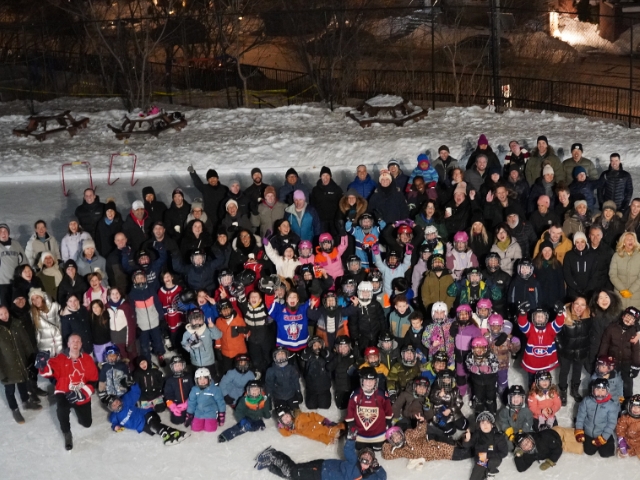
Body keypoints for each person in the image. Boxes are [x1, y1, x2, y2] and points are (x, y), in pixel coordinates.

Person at [36, 333, 99, 450]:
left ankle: (80, 412)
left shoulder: (88, 359)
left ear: (81, 344)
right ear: (68, 344)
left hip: (81, 393)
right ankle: (67, 433)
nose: (75, 343)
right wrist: (43, 365)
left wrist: (82, 394)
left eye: (78, 341)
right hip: (64, 392)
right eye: (73, 341)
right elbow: (47, 372)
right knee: (62, 410)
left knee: (87, 424)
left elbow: (93, 381)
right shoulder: (60, 358)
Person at [255, 438, 387, 480]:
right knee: (293, 471)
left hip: (321, 474)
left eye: (368, 459)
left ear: (370, 464)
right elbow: (348, 450)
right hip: (320, 470)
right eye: (364, 457)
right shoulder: (354, 462)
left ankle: (271, 465)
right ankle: (273, 454)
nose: (366, 459)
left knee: (294, 476)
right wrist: (351, 438)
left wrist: (377, 468)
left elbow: (382, 477)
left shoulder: (365, 477)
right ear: (359, 458)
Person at [107, 382, 188, 445]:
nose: (117, 405)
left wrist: (133, 384)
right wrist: (115, 427)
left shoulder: (126, 401)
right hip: (141, 426)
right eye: (113, 405)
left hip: (146, 414)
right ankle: (174, 432)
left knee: (153, 425)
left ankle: (165, 435)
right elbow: (116, 423)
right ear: (111, 408)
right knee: (153, 429)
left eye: (117, 402)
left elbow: (136, 392)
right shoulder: (114, 417)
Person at [0, 304, 41, 424]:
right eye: (1, 314)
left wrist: (31, 356)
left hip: (21, 362)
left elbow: (25, 341)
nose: (4, 316)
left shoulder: (16, 324)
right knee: (10, 390)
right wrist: (1, 373)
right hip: (7, 367)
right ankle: (15, 409)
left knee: (23, 382)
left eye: (5, 313)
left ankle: (26, 401)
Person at [517, 302, 565, 386]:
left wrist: (560, 314)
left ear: (546, 318)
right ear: (533, 318)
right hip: (532, 362)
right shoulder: (530, 329)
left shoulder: (550, 328)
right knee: (532, 382)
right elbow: (522, 324)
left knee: (545, 381)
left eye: (542, 316)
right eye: (537, 316)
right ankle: (532, 396)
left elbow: (559, 323)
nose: (539, 318)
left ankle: (544, 397)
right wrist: (523, 313)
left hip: (546, 361)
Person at [598, 306, 640, 399]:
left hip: (626, 362)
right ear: (623, 316)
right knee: (610, 380)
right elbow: (605, 343)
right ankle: (608, 399)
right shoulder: (612, 328)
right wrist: (601, 358)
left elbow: (636, 350)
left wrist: (636, 365)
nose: (629, 320)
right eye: (627, 316)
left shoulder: (634, 333)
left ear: (635, 322)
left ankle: (627, 402)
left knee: (627, 383)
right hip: (612, 360)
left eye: (632, 319)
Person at [346, 367, 393, 450]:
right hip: (361, 433)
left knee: (379, 448)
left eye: (372, 380)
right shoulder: (355, 394)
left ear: (376, 381)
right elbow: (350, 409)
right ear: (362, 381)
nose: (369, 383)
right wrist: (351, 423)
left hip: (379, 433)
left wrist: (388, 421)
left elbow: (388, 409)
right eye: (366, 380)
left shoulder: (381, 394)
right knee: (359, 448)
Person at [556, 296, 591, 405]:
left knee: (577, 371)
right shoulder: (564, 316)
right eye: (577, 304)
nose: (579, 307)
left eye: (582, 304)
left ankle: (574, 390)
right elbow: (556, 334)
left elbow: (590, 334)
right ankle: (563, 391)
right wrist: (561, 347)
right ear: (572, 304)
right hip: (566, 351)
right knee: (564, 371)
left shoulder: (589, 317)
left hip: (580, 351)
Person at [575, 378, 619, 458]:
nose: (600, 392)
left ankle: (608, 440)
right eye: (597, 389)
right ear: (593, 390)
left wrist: (604, 437)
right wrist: (579, 430)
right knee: (589, 452)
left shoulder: (611, 405)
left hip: (603, 432)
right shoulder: (586, 401)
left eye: (603, 390)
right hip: (589, 432)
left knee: (606, 454)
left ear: (607, 391)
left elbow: (611, 423)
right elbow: (580, 416)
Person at [460, 411, 508, 480]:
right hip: (481, 460)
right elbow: (467, 445)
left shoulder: (498, 437)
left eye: (488, 423)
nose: (485, 425)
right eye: (482, 423)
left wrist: (488, 456)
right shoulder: (477, 435)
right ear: (479, 425)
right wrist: (467, 440)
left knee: (493, 462)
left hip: (493, 459)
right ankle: (484, 472)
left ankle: (491, 473)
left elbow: (504, 452)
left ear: (492, 425)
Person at [587, 290, 622, 372]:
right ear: (596, 301)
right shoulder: (591, 313)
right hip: (595, 345)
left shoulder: (618, 313)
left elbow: (632, 321)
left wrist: (638, 331)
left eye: (606, 297)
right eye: (601, 298)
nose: (604, 300)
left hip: (612, 347)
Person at [275, 405, 344, 445]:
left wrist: (323, 420)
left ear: (290, 414)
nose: (287, 419)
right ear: (282, 423)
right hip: (312, 435)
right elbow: (286, 434)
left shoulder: (300, 417)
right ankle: (331, 438)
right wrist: (281, 428)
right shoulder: (290, 428)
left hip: (314, 427)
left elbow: (313, 415)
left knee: (326, 430)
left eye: (287, 416)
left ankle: (340, 427)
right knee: (323, 438)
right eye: (284, 419)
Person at [184, 367, 225, 433]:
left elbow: (220, 402)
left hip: (211, 411)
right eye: (200, 379)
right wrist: (189, 414)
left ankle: (214, 421)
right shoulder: (194, 389)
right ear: (196, 380)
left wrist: (221, 414)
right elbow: (191, 402)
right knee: (195, 428)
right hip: (199, 411)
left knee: (210, 429)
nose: (202, 381)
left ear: (209, 379)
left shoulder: (215, 389)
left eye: (205, 378)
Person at [609, 232, 640, 309]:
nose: (630, 241)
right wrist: (622, 290)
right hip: (620, 295)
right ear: (623, 242)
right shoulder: (616, 256)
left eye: (632, 239)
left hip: (636, 296)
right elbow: (612, 275)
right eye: (628, 239)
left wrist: (631, 291)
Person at [310, 166, 343, 235]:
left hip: (334, 220)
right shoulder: (315, 190)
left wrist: (339, 217)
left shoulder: (337, 189)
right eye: (323, 175)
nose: (325, 178)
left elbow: (341, 203)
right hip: (321, 221)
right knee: (323, 239)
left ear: (330, 176)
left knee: (335, 239)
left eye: (327, 175)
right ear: (320, 177)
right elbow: (312, 204)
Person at [533, 240, 565, 311]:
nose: (547, 253)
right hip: (540, 299)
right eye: (545, 250)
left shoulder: (557, 264)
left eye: (549, 250)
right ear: (541, 252)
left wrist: (561, 300)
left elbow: (561, 283)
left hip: (554, 299)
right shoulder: (535, 264)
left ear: (552, 251)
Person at [563, 232, 597, 299]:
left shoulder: (592, 255)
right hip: (573, 291)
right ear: (574, 243)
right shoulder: (569, 255)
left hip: (589, 291)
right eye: (577, 242)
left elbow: (595, 274)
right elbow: (567, 274)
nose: (580, 244)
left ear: (585, 242)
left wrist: (588, 288)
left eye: (582, 242)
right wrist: (576, 288)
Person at [0, 223, 27, 304]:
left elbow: (24, 261)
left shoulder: (16, 244)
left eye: (5, 231)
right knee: (5, 305)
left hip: (16, 282)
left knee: (17, 305)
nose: (3, 233)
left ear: (8, 233)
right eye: (0, 231)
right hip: (2, 283)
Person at [164, 356, 194, 425]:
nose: (178, 367)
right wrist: (172, 406)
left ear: (183, 365)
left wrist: (188, 402)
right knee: (176, 421)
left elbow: (194, 390)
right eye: (176, 366)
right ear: (172, 367)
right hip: (177, 405)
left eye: (180, 365)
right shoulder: (169, 380)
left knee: (192, 419)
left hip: (189, 402)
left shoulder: (189, 377)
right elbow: (167, 394)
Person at [616, 394, 640, 459]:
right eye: (634, 406)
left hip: (638, 441)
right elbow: (620, 428)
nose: (636, 409)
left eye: (639, 407)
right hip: (627, 439)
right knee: (623, 453)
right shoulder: (625, 417)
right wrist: (621, 440)